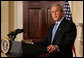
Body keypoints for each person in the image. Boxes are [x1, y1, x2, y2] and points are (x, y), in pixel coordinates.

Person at [3, 3, 77, 57]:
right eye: (52, 12)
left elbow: (69, 42)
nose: (54, 14)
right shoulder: (52, 26)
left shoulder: (69, 25)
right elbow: (47, 42)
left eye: (56, 11)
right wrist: (33, 44)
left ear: (62, 12)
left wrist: (56, 47)